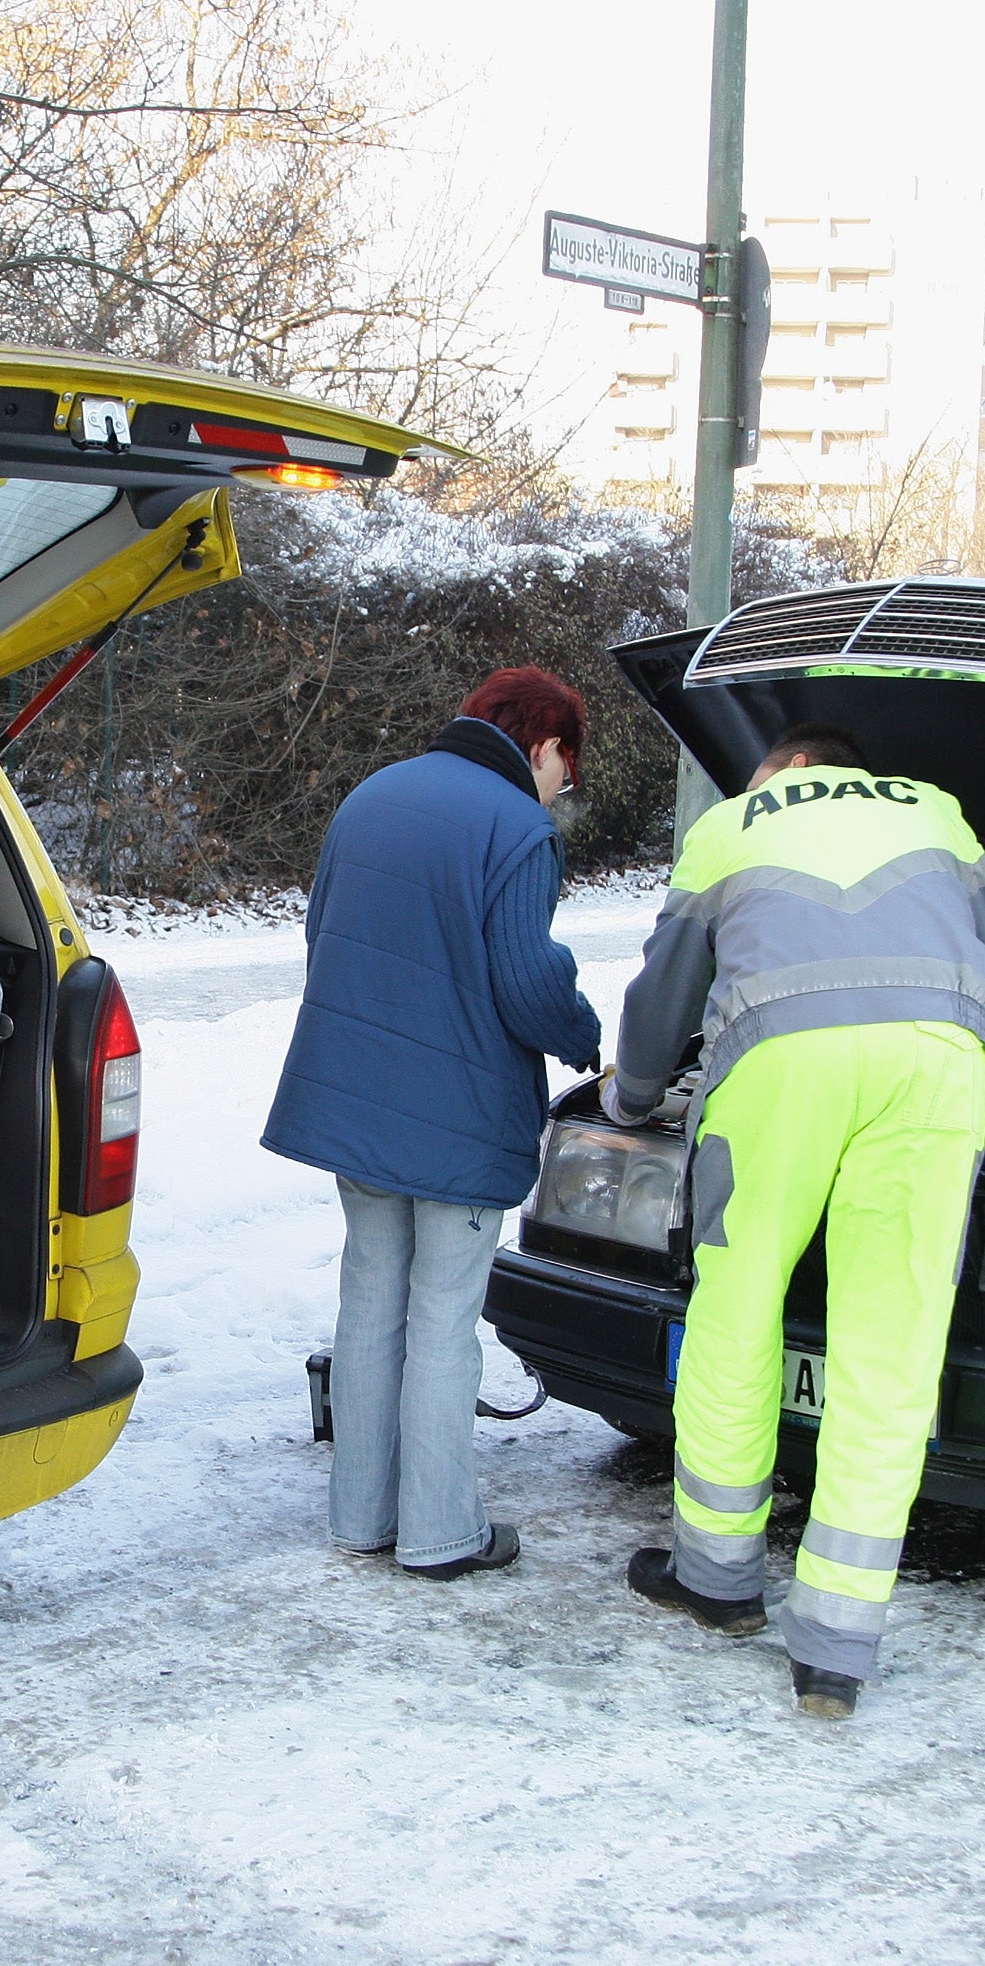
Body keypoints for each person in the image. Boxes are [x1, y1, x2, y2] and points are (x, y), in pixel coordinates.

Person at [603, 721, 985, 1716]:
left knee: (737, 1304)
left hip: (777, 1066)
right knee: (892, 1340)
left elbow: (663, 989)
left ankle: (716, 1580)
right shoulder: (935, 814)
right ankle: (837, 1643)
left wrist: (632, 1097)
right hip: (934, 1063)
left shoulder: (731, 824)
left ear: (793, 767)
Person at [264, 667, 604, 1579]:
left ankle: (362, 1516)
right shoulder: (517, 828)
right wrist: (582, 1035)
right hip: (457, 1113)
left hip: (357, 1099)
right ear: (541, 746)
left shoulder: (372, 795)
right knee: (445, 1317)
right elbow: (528, 983)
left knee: (370, 1303)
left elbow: (323, 931)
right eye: (564, 771)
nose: (561, 793)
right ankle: (442, 1533)